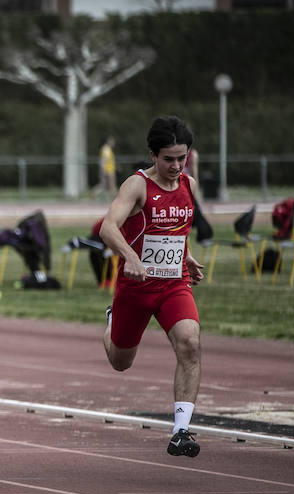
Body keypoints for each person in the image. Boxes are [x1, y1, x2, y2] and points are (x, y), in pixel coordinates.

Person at [98, 116, 205, 458]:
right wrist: (129, 255)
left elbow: (177, 229)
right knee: (120, 362)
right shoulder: (137, 185)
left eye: (181, 158)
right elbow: (108, 228)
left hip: (174, 284)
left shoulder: (189, 184)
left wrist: (185, 258)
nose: (176, 166)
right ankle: (113, 319)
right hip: (136, 286)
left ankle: (181, 430)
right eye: (168, 159)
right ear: (153, 155)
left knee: (189, 342)